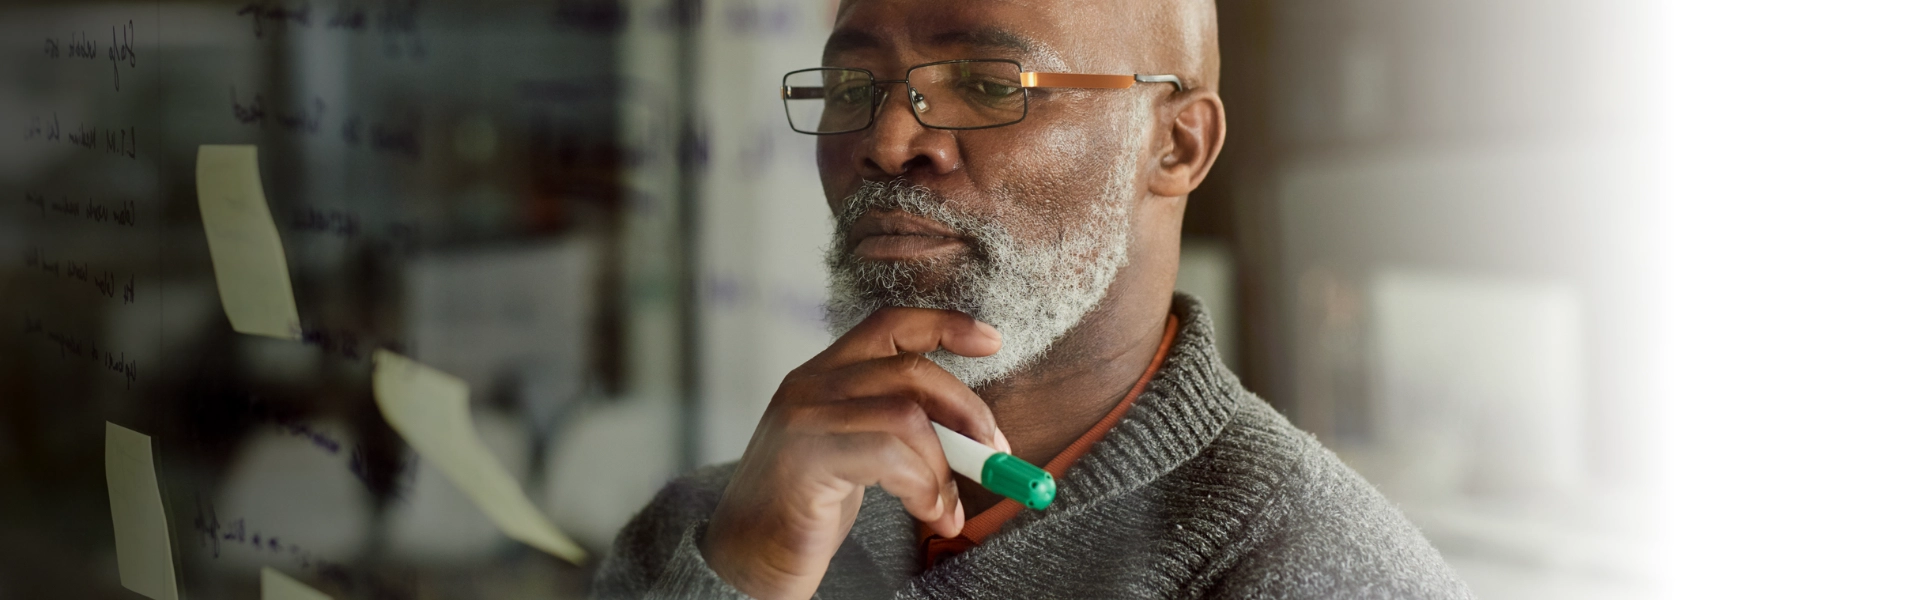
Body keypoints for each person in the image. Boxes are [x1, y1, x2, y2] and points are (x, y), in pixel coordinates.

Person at [594, 0, 1470, 597]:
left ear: (1176, 144)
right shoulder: (709, 531)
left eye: (987, 86)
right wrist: (745, 574)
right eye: (854, 89)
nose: (890, 140)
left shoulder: (1319, 571)